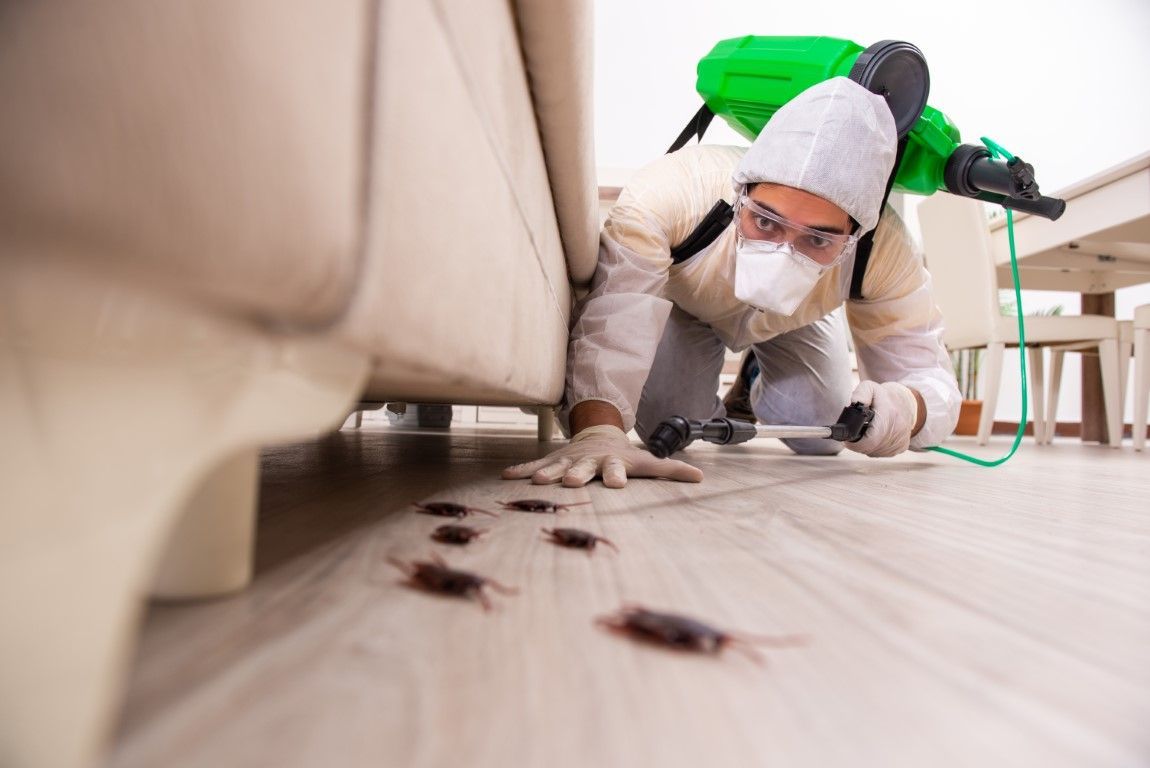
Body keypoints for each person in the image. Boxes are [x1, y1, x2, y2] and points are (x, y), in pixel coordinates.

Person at [503, 77, 961, 489]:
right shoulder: (673, 191)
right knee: (671, 422)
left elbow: (928, 371)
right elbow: (616, 312)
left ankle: (753, 379)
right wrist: (597, 432)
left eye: (818, 239)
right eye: (765, 223)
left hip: (794, 319)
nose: (784, 255)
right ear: (741, 194)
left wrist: (909, 406)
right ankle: (738, 373)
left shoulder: (885, 248)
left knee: (825, 433)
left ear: (855, 234)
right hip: (686, 303)